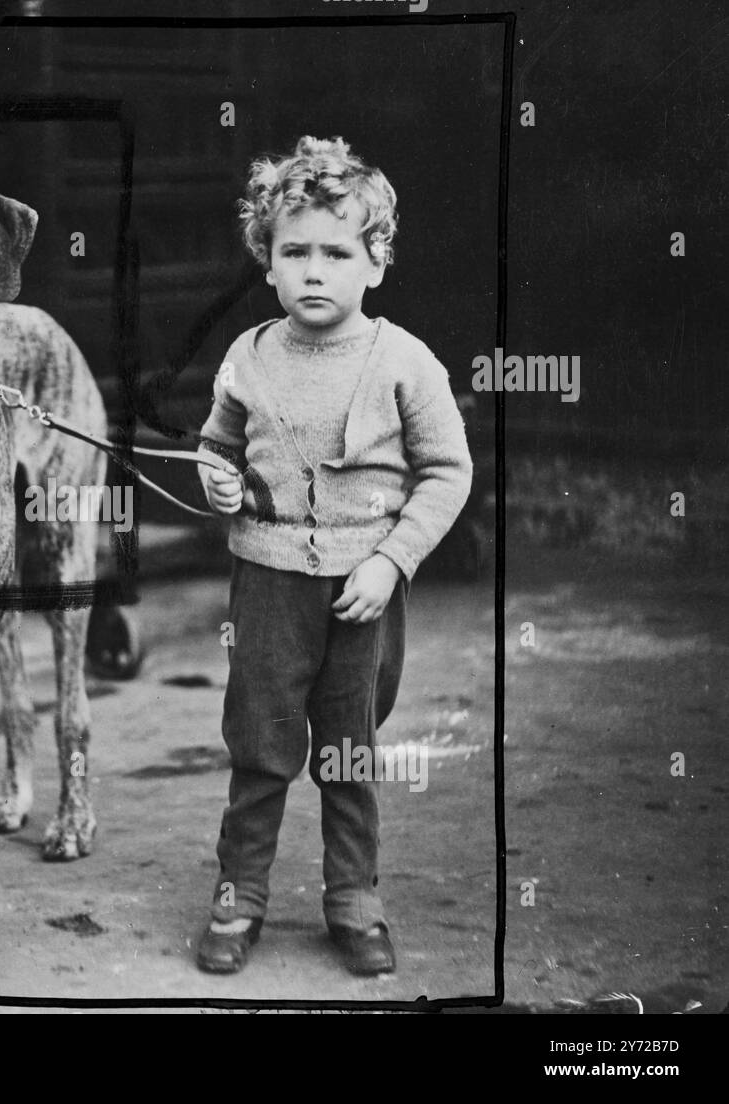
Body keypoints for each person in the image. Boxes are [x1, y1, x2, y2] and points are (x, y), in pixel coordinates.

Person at [194, 136, 473, 976]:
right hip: (268, 588)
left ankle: (354, 897)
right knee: (260, 748)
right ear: (268, 264)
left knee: (348, 749)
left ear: (374, 262)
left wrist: (391, 562)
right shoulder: (248, 357)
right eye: (294, 252)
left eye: (336, 252)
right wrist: (220, 483)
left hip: (364, 596)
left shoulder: (404, 363)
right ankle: (239, 895)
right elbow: (218, 449)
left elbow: (448, 472)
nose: (314, 271)